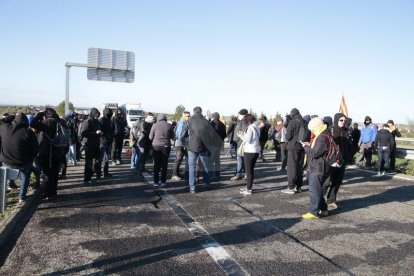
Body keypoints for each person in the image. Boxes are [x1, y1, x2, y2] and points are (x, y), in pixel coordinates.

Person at [0, 113, 39, 203]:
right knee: (26, 174)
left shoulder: (5, 128)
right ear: (26, 121)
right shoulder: (28, 131)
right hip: (22, 163)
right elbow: (35, 149)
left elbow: (2, 121)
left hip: (5, 161)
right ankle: (22, 197)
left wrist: (11, 116)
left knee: (8, 172)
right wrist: (31, 158)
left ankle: (6, 192)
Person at [181, 106, 221, 193]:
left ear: (194, 112)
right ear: (201, 112)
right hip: (204, 147)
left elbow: (183, 135)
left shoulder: (189, 121)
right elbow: (212, 136)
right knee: (205, 167)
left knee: (192, 167)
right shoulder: (206, 121)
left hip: (192, 147)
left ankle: (192, 187)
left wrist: (186, 144)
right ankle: (207, 184)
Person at [301, 117, 330, 219]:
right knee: (318, 190)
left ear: (317, 127)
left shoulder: (322, 137)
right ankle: (324, 209)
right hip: (321, 166)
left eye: (313, 129)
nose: (312, 131)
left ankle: (314, 212)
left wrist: (306, 147)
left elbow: (314, 153)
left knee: (314, 190)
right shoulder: (325, 135)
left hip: (318, 167)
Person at [30, 108, 62, 199]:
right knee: (55, 173)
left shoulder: (48, 122)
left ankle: (48, 193)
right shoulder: (60, 121)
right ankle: (54, 192)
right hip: (57, 151)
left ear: (47, 114)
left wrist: (40, 114)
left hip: (48, 153)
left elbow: (32, 123)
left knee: (47, 173)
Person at [323, 113, 352, 210]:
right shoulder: (330, 130)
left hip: (342, 161)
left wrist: (348, 157)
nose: (343, 122)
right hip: (331, 160)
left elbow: (348, 146)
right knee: (326, 182)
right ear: (336, 120)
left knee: (337, 181)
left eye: (344, 120)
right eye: (341, 120)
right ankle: (320, 199)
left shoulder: (346, 131)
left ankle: (331, 200)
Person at [282, 108, 305, 194]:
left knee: (292, 167)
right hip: (302, 146)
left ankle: (291, 187)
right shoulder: (303, 121)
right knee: (299, 167)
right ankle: (299, 186)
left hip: (293, 146)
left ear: (292, 114)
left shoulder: (293, 122)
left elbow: (288, 137)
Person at [149, 114, 174, 187]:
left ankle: (156, 182)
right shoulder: (169, 125)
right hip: (166, 146)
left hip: (156, 146)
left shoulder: (154, 125)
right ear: (165, 118)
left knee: (156, 164)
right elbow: (173, 136)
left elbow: (150, 137)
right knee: (164, 165)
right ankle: (163, 182)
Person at [238, 114, 260, 195]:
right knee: (251, 170)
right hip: (256, 150)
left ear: (248, 120)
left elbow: (249, 140)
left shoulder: (250, 127)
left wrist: (241, 136)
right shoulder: (256, 126)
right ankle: (248, 186)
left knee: (248, 171)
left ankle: (248, 189)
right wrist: (244, 134)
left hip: (249, 151)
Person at [80, 108, 103, 184]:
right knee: (89, 162)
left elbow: (98, 131)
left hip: (96, 144)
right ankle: (87, 178)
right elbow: (84, 133)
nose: (97, 115)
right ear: (92, 113)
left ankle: (94, 173)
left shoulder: (97, 121)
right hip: (89, 144)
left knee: (98, 160)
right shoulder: (87, 121)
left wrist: (100, 133)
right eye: (96, 113)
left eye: (98, 113)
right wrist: (95, 133)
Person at [171, 111, 190, 181]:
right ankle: (174, 175)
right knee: (178, 159)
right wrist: (185, 143)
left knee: (180, 159)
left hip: (180, 143)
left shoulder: (183, 122)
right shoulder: (182, 123)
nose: (189, 117)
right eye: (188, 116)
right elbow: (180, 135)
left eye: (189, 116)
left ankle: (177, 173)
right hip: (180, 144)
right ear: (184, 116)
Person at [230, 109, 248, 180]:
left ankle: (239, 174)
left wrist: (235, 140)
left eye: (239, 114)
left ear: (242, 115)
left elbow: (237, 134)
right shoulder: (249, 122)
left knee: (240, 160)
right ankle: (246, 174)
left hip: (241, 144)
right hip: (246, 144)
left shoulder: (241, 122)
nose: (238, 116)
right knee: (245, 160)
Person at [209, 112, 226, 181]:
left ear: (213, 117)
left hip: (212, 144)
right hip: (219, 144)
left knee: (210, 161)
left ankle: (211, 175)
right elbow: (224, 135)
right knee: (217, 161)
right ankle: (217, 175)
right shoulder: (222, 124)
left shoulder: (211, 124)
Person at [99, 107, 114, 177]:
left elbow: (112, 130)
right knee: (100, 158)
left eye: (110, 114)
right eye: (108, 114)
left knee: (107, 158)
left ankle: (106, 172)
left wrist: (112, 138)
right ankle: (98, 173)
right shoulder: (101, 120)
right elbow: (99, 131)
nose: (109, 115)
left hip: (109, 142)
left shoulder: (110, 121)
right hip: (102, 142)